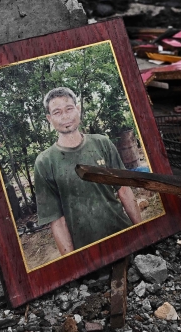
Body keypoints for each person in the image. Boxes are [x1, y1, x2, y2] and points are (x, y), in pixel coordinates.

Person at [33, 87, 142, 256]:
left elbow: (124, 190)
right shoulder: (44, 162)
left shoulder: (102, 144)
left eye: (69, 108)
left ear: (78, 109)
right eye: (57, 112)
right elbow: (57, 220)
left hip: (123, 234)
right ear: (49, 118)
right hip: (87, 251)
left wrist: (142, 233)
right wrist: (73, 262)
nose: (65, 116)